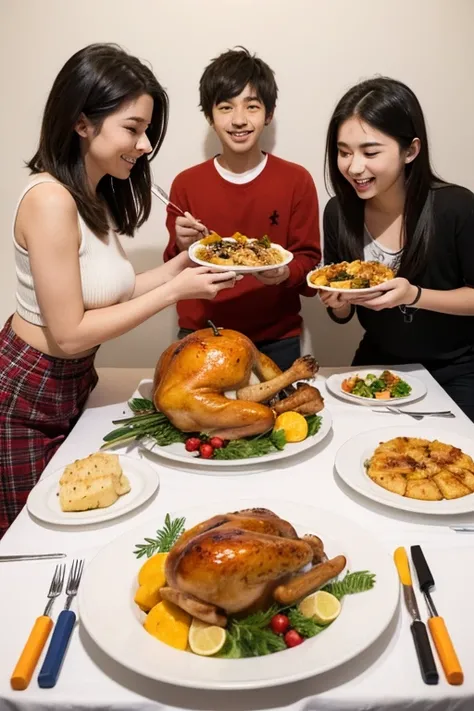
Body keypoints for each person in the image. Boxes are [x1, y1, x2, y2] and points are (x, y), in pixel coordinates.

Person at [0, 43, 237, 537]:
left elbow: (112, 292)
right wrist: (177, 292)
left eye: (146, 130)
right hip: (29, 395)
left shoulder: (91, 195)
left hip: (72, 383)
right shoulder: (49, 201)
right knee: (36, 539)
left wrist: (182, 265)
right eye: (133, 128)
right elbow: (68, 333)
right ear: (82, 122)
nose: (146, 144)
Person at [320, 76, 474, 420]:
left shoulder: (456, 207)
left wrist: (414, 295)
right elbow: (342, 315)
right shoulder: (339, 213)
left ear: (411, 150)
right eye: (344, 152)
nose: (354, 167)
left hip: (457, 368)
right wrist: (338, 303)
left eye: (370, 152)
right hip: (379, 359)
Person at [163, 47, 321, 371]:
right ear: (210, 116)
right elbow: (172, 275)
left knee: (285, 422)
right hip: (202, 336)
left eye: (252, 106)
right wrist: (181, 246)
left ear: (269, 114)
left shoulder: (297, 180)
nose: (239, 119)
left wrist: (283, 273)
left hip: (276, 340)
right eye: (225, 107)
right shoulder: (185, 184)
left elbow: (308, 268)